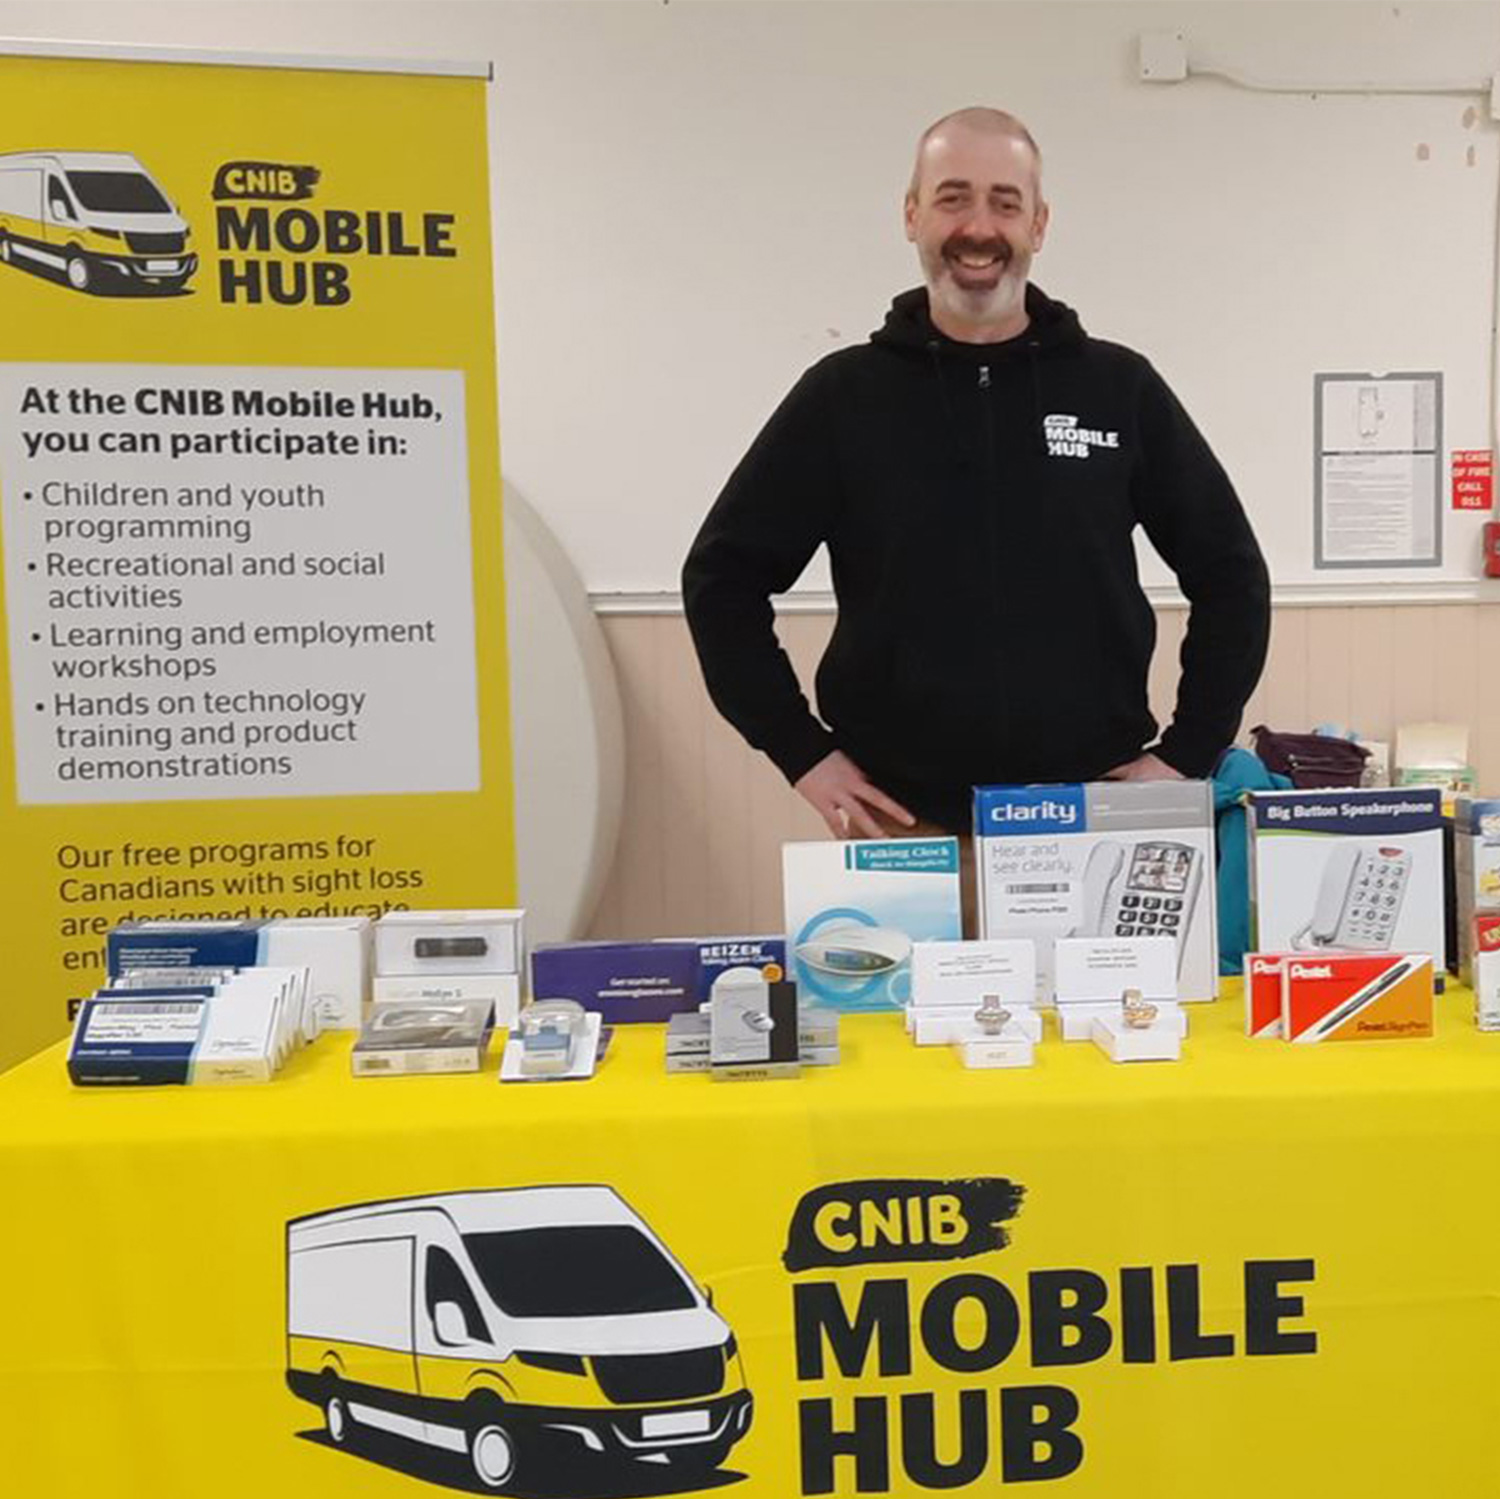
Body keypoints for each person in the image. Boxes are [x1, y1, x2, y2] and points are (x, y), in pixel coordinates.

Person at [681, 106, 1270, 847]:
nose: (979, 227)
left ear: (1039, 224)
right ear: (912, 214)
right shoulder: (843, 397)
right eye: (953, 197)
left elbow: (1232, 575)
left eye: (1005, 201)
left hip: (1091, 822)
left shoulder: (1118, 389)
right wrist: (802, 753)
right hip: (903, 830)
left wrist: (1188, 754)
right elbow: (720, 582)